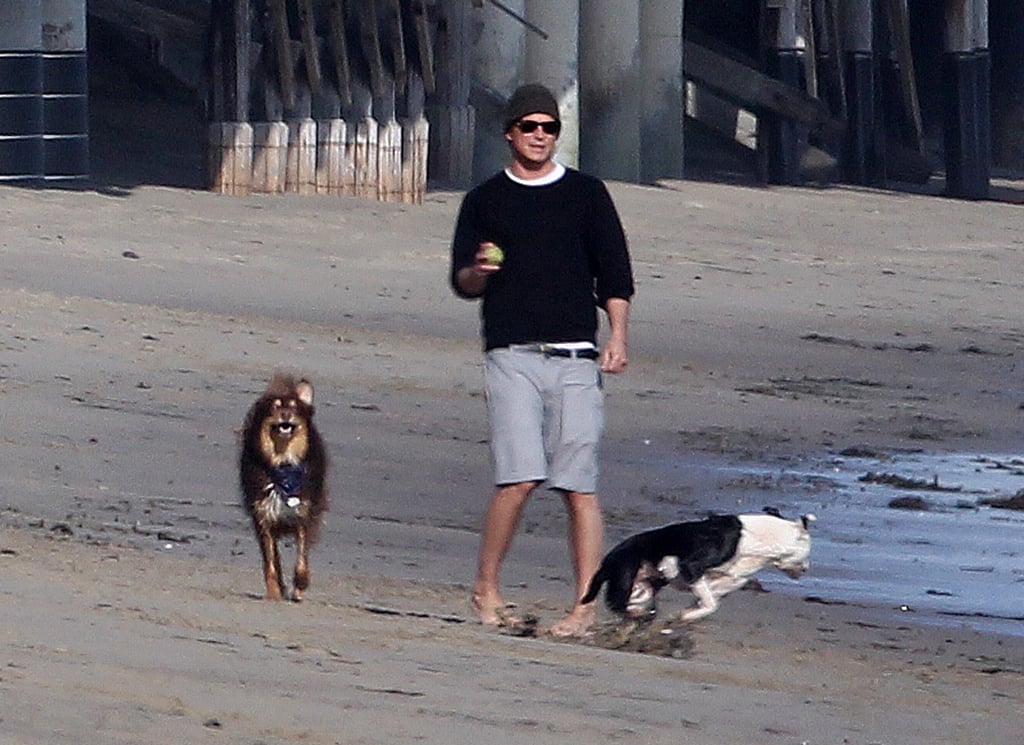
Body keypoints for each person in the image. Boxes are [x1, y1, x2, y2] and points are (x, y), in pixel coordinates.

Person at [449, 83, 635, 637]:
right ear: (509, 132)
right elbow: (463, 282)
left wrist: (617, 336)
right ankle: (485, 588)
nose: (538, 136)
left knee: (579, 485)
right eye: (528, 126)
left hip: (577, 355)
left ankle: (583, 608)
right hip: (511, 353)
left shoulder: (587, 194)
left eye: (548, 127)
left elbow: (615, 276)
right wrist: (480, 271)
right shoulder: (485, 200)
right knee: (519, 477)